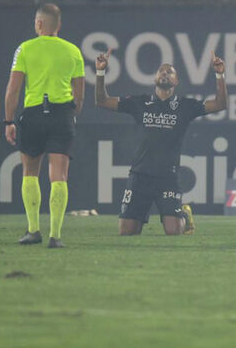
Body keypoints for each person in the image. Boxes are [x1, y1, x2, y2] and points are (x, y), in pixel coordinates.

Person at [94, 51, 226, 236]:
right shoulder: (139, 102)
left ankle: (184, 216)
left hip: (167, 178)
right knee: (127, 231)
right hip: (140, 176)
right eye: (161, 71)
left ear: (176, 81)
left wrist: (219, 75)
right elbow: (101, 101)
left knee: (174, 231)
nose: (165, 73)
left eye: (169, 72)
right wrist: (100, 73)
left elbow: (220, 104)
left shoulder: (185, 106)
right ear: (155, 78)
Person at [4, 4, 85, 248]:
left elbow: (13, 89)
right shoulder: (73, 51)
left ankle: (33, 230)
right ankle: (56, 236)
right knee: (59, 176)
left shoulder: (25, 49)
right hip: (62, 114)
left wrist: (9, 120)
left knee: (30, 172)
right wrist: (72, 113)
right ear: (58, 25)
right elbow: (79, 95)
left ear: (39, 24)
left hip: (34, 114)